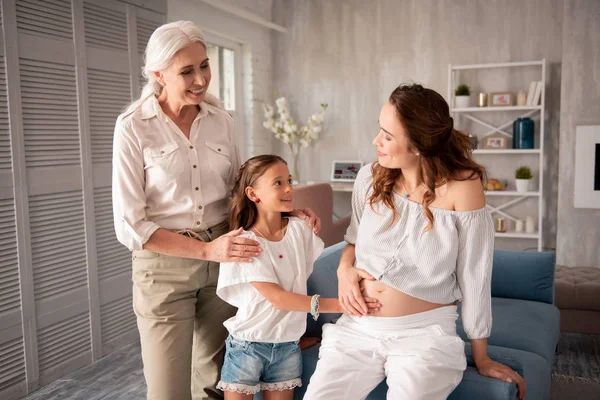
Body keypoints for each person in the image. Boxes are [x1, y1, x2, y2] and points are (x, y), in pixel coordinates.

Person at [112, 21, 320, 400]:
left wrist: (286, 211)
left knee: (214, 382)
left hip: (227, 256)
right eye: (186, 71)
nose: (200, 79)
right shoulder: (133, 128)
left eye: (204, 66)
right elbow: (131, 224)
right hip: (163, 267)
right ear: (158, 74)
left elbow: (241, 190)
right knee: (167, 389)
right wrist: (206, 250)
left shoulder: (221, 120)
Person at [303, 84, 527, 400]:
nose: (375, 141)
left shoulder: (462, 188)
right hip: (356, 329)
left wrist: (482, 356)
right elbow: (353, 240)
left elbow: (475, 275)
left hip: (424, 334)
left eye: (387, 136)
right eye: (379, 130)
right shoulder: (369, 178)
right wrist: (344, 271)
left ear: (418, 145)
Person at [215, 155, 381, 400]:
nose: (289, 188)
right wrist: (342, 304)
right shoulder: (246, 243)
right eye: (278, 183)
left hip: (287, 347)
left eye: (289, 180)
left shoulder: (298, 230)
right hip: (247, 346)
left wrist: (292, 336)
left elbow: (300, 274)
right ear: (253, 194)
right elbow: (278, 299)